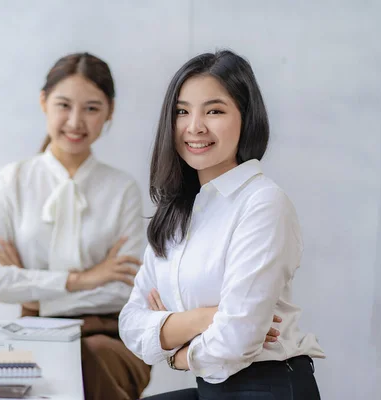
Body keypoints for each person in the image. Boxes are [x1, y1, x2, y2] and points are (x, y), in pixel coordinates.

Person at [119, 50, 325, 399]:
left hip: (268, 386)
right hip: (213, 387)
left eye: (214, 111)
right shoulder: (178, 210)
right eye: (182, 111)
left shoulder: (262, 204)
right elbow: (130, 323)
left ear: (246, 118)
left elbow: (237, 338)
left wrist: (177, 354)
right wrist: (205, 318)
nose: (194, 126)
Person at [0, 52, 151, 400]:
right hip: (31, 332)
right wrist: (84, 278)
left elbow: (126, 290)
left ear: (109, 112)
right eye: (64, 105)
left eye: (91, 108)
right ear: (43, 102)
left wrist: (31, 285)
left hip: (111, 337)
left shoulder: (122, 189)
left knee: (83, 359)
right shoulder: (13, 180)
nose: (75, 121)